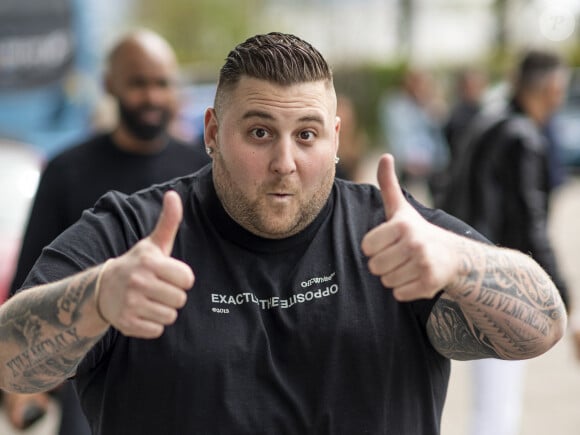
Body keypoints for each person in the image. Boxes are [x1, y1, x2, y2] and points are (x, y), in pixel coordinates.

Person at [0, 33, 567, 435]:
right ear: (213, 132)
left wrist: (463, 264)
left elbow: (543, 326)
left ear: (337, 138)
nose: (285, 162)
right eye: (260, 132)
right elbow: (9, 361)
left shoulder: (395, 233)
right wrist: (99, 298)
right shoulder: (130, 230)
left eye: (308, 135)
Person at [1, 29, 210, 434]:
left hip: (191, 369)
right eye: (138, 83)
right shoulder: (66, 171)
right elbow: (29, 284)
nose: (151, 96)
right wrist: (27, 385)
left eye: (162, 83)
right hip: (93, 371)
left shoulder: (206, 171)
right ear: (109, 85)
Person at [440, 50, 571, 435]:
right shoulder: (522, 136)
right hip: (496, 280)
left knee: (490, 403)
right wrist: (566, 299)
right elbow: (530, 225)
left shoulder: (488, 120)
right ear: (551, 88)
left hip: (465, 263)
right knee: (498, 409)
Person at [379, 68, 449, 203]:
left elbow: (438, 135)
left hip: (432, 164)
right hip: (409, 164)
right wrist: (408, 159)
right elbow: (397, 135)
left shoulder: (428, 105)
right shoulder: (395, 106)